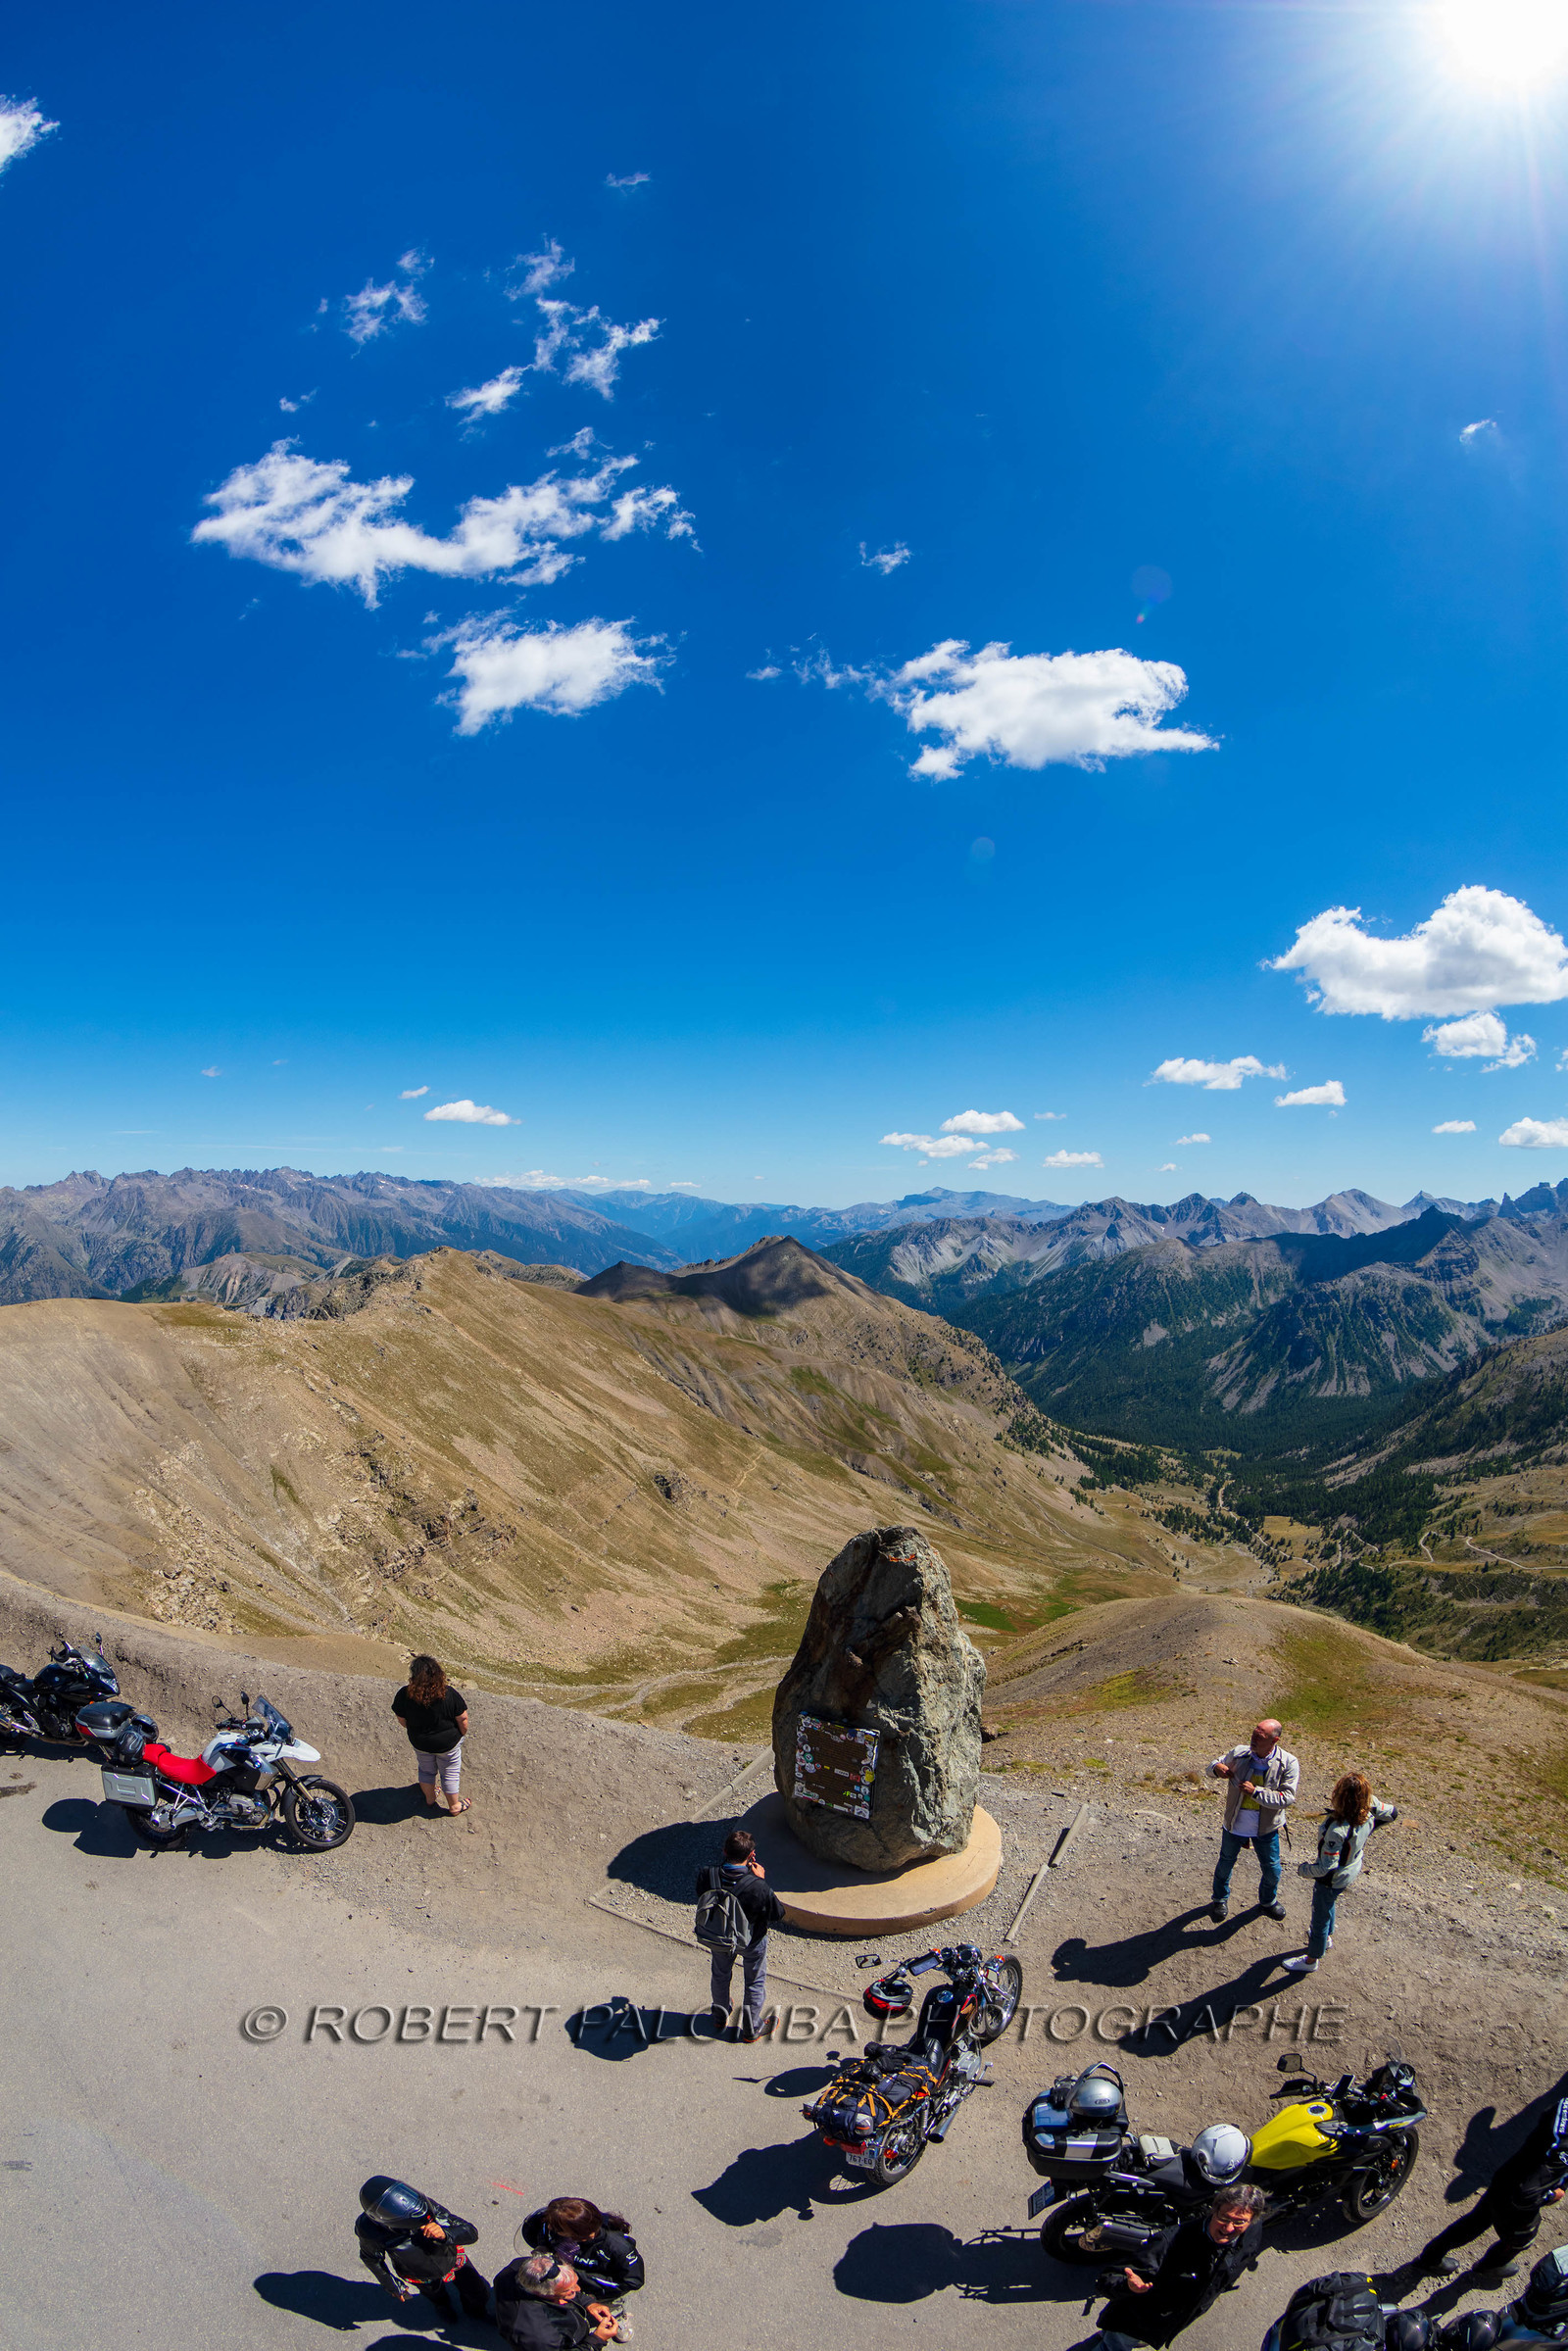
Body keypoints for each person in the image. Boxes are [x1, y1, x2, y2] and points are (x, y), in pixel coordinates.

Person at [1093, 2183, 1269, 2350]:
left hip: (1171, 2322)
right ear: (1213, 2210)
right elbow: (1107, 2279)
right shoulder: (1168, 2242)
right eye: (1224, 2218)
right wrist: (1128, 2286)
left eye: (1239, 2222)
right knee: (1114, 2345)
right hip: (1135, 2322)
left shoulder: (1252, 2231)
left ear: (1252, 2220)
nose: (1229, 2228)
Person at [1416, 2094, 1568, 2281]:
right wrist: (1552, 2195)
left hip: (1507, 2176)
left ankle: (1430, 2257)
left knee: (1476, 2220)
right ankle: (1490, 2266)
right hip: (1518, 2201)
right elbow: (1526, 2195)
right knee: (1521, 2240)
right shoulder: (1562, 2153)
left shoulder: (1563, 2106)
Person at [1283, 1771, 1398, 1974]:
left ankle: (1311, 1960)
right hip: (1352, 1868)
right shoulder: (1370, 1808)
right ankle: (1327, 1936)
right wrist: (1373, 1822)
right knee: (1329, 1903)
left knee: (1319, 1917)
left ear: (1340, 1797)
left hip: (1332, 1879)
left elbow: (1326, 1867)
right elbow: (1393, 1813)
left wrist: (1304, 1870)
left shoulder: (1337, 1830)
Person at [355, 2175, 491, 2318]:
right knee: (435, 2294)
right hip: (418, 2273)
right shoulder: (369, 2230)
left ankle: (477, 2311)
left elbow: (470, 2232)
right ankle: (443, 2305)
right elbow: (371, 2259)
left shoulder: (424, 2207)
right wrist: (392, 2285)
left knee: (476, 2290)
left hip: (452, 2257)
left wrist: (445, 2234)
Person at [695, 1826, 783, 2042]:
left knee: (720, 1975)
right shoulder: (757, 1886)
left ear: (725, 1851)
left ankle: (720, 2015)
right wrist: (761, 1880)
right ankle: (751, 2028)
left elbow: (701, 1896)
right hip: (751, 1940)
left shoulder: (707, 1874)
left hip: (718, 1936)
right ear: (752, 1855)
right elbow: (777, 1913)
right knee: (754, 1981)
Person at [1207, 1719, 1298, 1922]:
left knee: (1272, 1870)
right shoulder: (1239, 1753)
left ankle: (1268, 1901)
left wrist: (1256, 1792)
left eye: (1260, 1736)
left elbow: (1287, 1798)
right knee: (1225, 1865)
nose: (1254, 1739)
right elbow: (1211, 1767)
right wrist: (1217, 1768)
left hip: (1266, 1829)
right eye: (1254, 1734)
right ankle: (1219, 1899)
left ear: (1274, 1740)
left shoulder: (1288, 1762)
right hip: (1234, 1825)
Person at [517, 2198, 645, 2304]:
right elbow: (544, 2233)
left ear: (582, 2235)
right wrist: (543, 2249)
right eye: (549, 2223)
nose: (550, 2227)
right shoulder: (554, 2226)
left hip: (593, 2292)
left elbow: (632, 2282)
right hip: (560, 2286)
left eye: (557, 2228)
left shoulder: (618, 2248)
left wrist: (576, 2274)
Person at [392, 1652, 470, 1816]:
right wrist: (461, 1734)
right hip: (448, 1743)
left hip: (420, 1742)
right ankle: (454, 1806)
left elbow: (402, 1719)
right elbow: (462, 1718)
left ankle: (430, 1798)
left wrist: (413, 1730)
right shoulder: (448, 1693)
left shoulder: (404, 1694)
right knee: (449, 1773)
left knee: (426, 1771)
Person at [494, 2252, 622, 2349]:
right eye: (569, 2291)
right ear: (543, 2293)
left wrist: (588, 2303)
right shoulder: (541, 2336)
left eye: (575, 2283)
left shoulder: (525, 2267)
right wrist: (596, 2340)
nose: (578, 2289)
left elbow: (564, 2287)